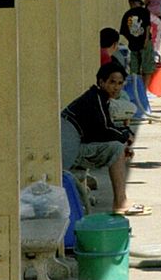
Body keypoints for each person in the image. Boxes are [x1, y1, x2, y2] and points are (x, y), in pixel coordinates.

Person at [60, 61, 149, 216]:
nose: (116, 87)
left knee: (117, 146)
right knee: (116, 148)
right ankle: (121, 202)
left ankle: (120, 201)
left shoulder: (99, 98)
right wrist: (126, 136)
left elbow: (101, 129)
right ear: (101, 82)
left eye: (120, 83)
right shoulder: (96, 99)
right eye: (112, 82)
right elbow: (104, 130)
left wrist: (123, 135)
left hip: (72, 149)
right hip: (69, 154)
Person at [119, 0, 156, 98]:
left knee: (134, 70)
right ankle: (143, 91)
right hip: (145, 43)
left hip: (133, 45)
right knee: (147, 68)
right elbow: (148, 27)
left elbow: (124, 32)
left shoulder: (127, 14)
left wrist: (132, 39)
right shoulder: (144, 11)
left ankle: (135, 91)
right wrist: (146, 39)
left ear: (130, 3)